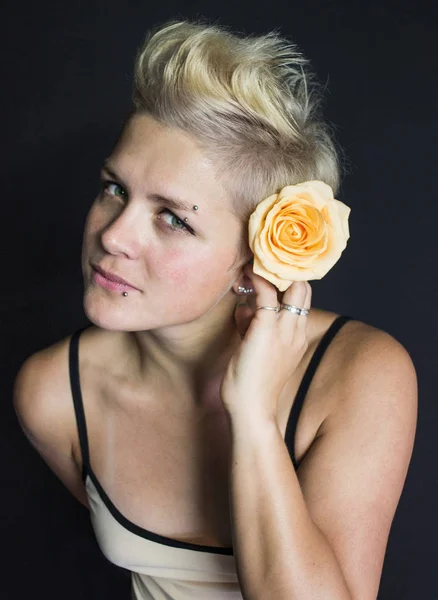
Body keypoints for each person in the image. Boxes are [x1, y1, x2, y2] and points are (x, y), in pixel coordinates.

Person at [13, 17, 417, 600]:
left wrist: (252, 414)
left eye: (173, 218)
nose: (114, 235)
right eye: (114, 188)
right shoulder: (53, 392)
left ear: (251, 264)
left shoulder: (359, 374)